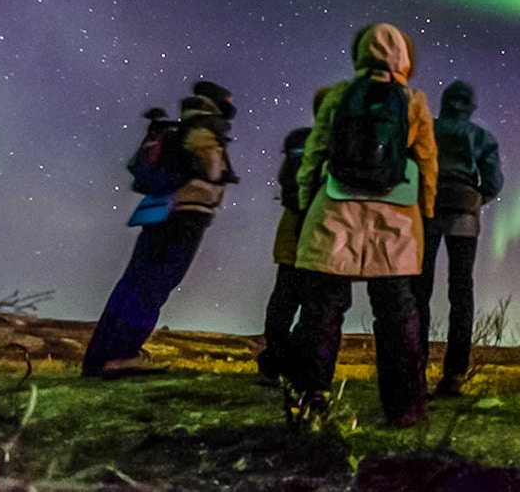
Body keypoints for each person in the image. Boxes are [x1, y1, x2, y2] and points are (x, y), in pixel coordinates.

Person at [285, 22, 438, 428]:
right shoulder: (414, 101)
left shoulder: (339, 95)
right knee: (397, 310)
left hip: (336, 207)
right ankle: (405, 409)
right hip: (396, 218)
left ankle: (309, 402)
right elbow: (427, 163)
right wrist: (426, 213)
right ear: (404, 57)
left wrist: (305, 203)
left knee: (322, 306)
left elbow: (314, 153)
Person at [82, 80, 238, 379]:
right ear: (219, 103)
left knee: (132, 283)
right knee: (155, 285)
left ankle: (98, 359)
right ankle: (123, 356)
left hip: (158, 212)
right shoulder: (206, 129)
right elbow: (210, 173)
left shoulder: (177, 128)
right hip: (186, 218)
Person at [413, 80, 504, 397]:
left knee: (418, 289)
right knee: (461, 291)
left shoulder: (428, 129)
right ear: (470, 107)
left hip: (426, 208)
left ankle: (414, 368)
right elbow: (492, 182)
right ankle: (453, 375)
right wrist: (476, 198)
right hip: (464, 211)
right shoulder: (482, 138)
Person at [255, 87, 331, 385]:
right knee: (317, 306)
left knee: (283, 302)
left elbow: (284, 179)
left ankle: (273, 364)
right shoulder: (338, 143)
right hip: (322, 233)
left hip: (291, 230)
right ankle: (292, 364)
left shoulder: (299, 139)